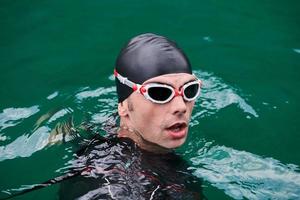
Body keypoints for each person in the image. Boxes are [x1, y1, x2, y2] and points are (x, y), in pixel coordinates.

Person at [59, 33, 205, 199]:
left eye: (189, 90)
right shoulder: (108, 182)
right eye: (159, 92)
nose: (180, 107)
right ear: (123, 106)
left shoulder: (175, 167)